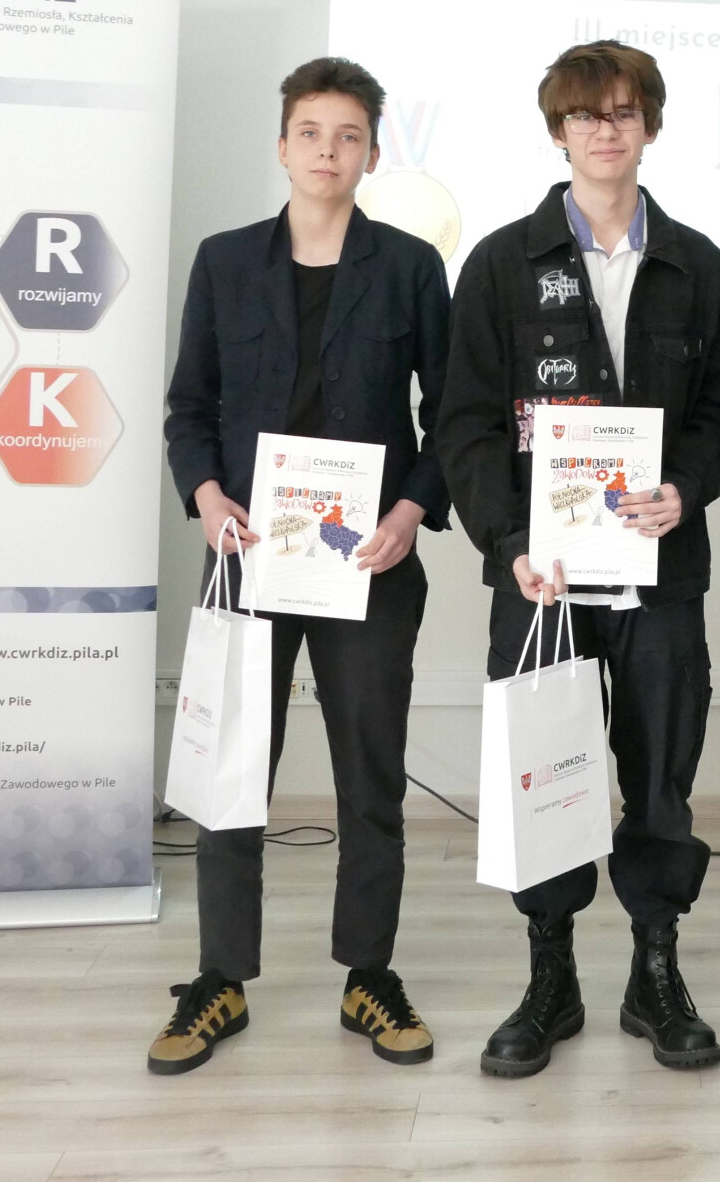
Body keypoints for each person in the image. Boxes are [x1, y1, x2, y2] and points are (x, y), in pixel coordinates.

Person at [436, 40, 720, 1078]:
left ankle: (654, 973)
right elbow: (465, 423)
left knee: (659, 775)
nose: (604, 130)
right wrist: (510, 542)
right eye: (584, 114)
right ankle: (551, 978)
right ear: (558, 131)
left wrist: (686, 487)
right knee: (546, 774)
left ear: (649, 125)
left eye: (622, 112)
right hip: (543, 580)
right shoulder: (499, 265)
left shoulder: (699, 266)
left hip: (661, 573)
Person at [154, 57, 453, 1074]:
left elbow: (451, 415)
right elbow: (188, 408)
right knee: (231, 770)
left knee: (370, 777)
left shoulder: (410, 267)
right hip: (249, 557)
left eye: (349, 136)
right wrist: (205, 497)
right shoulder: (225, 261)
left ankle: (369, 972)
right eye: (312, 133)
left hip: (367, 559)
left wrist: (411, 510)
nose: (329, 152)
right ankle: (219, 978)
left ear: (372, 152)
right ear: (282, 145)